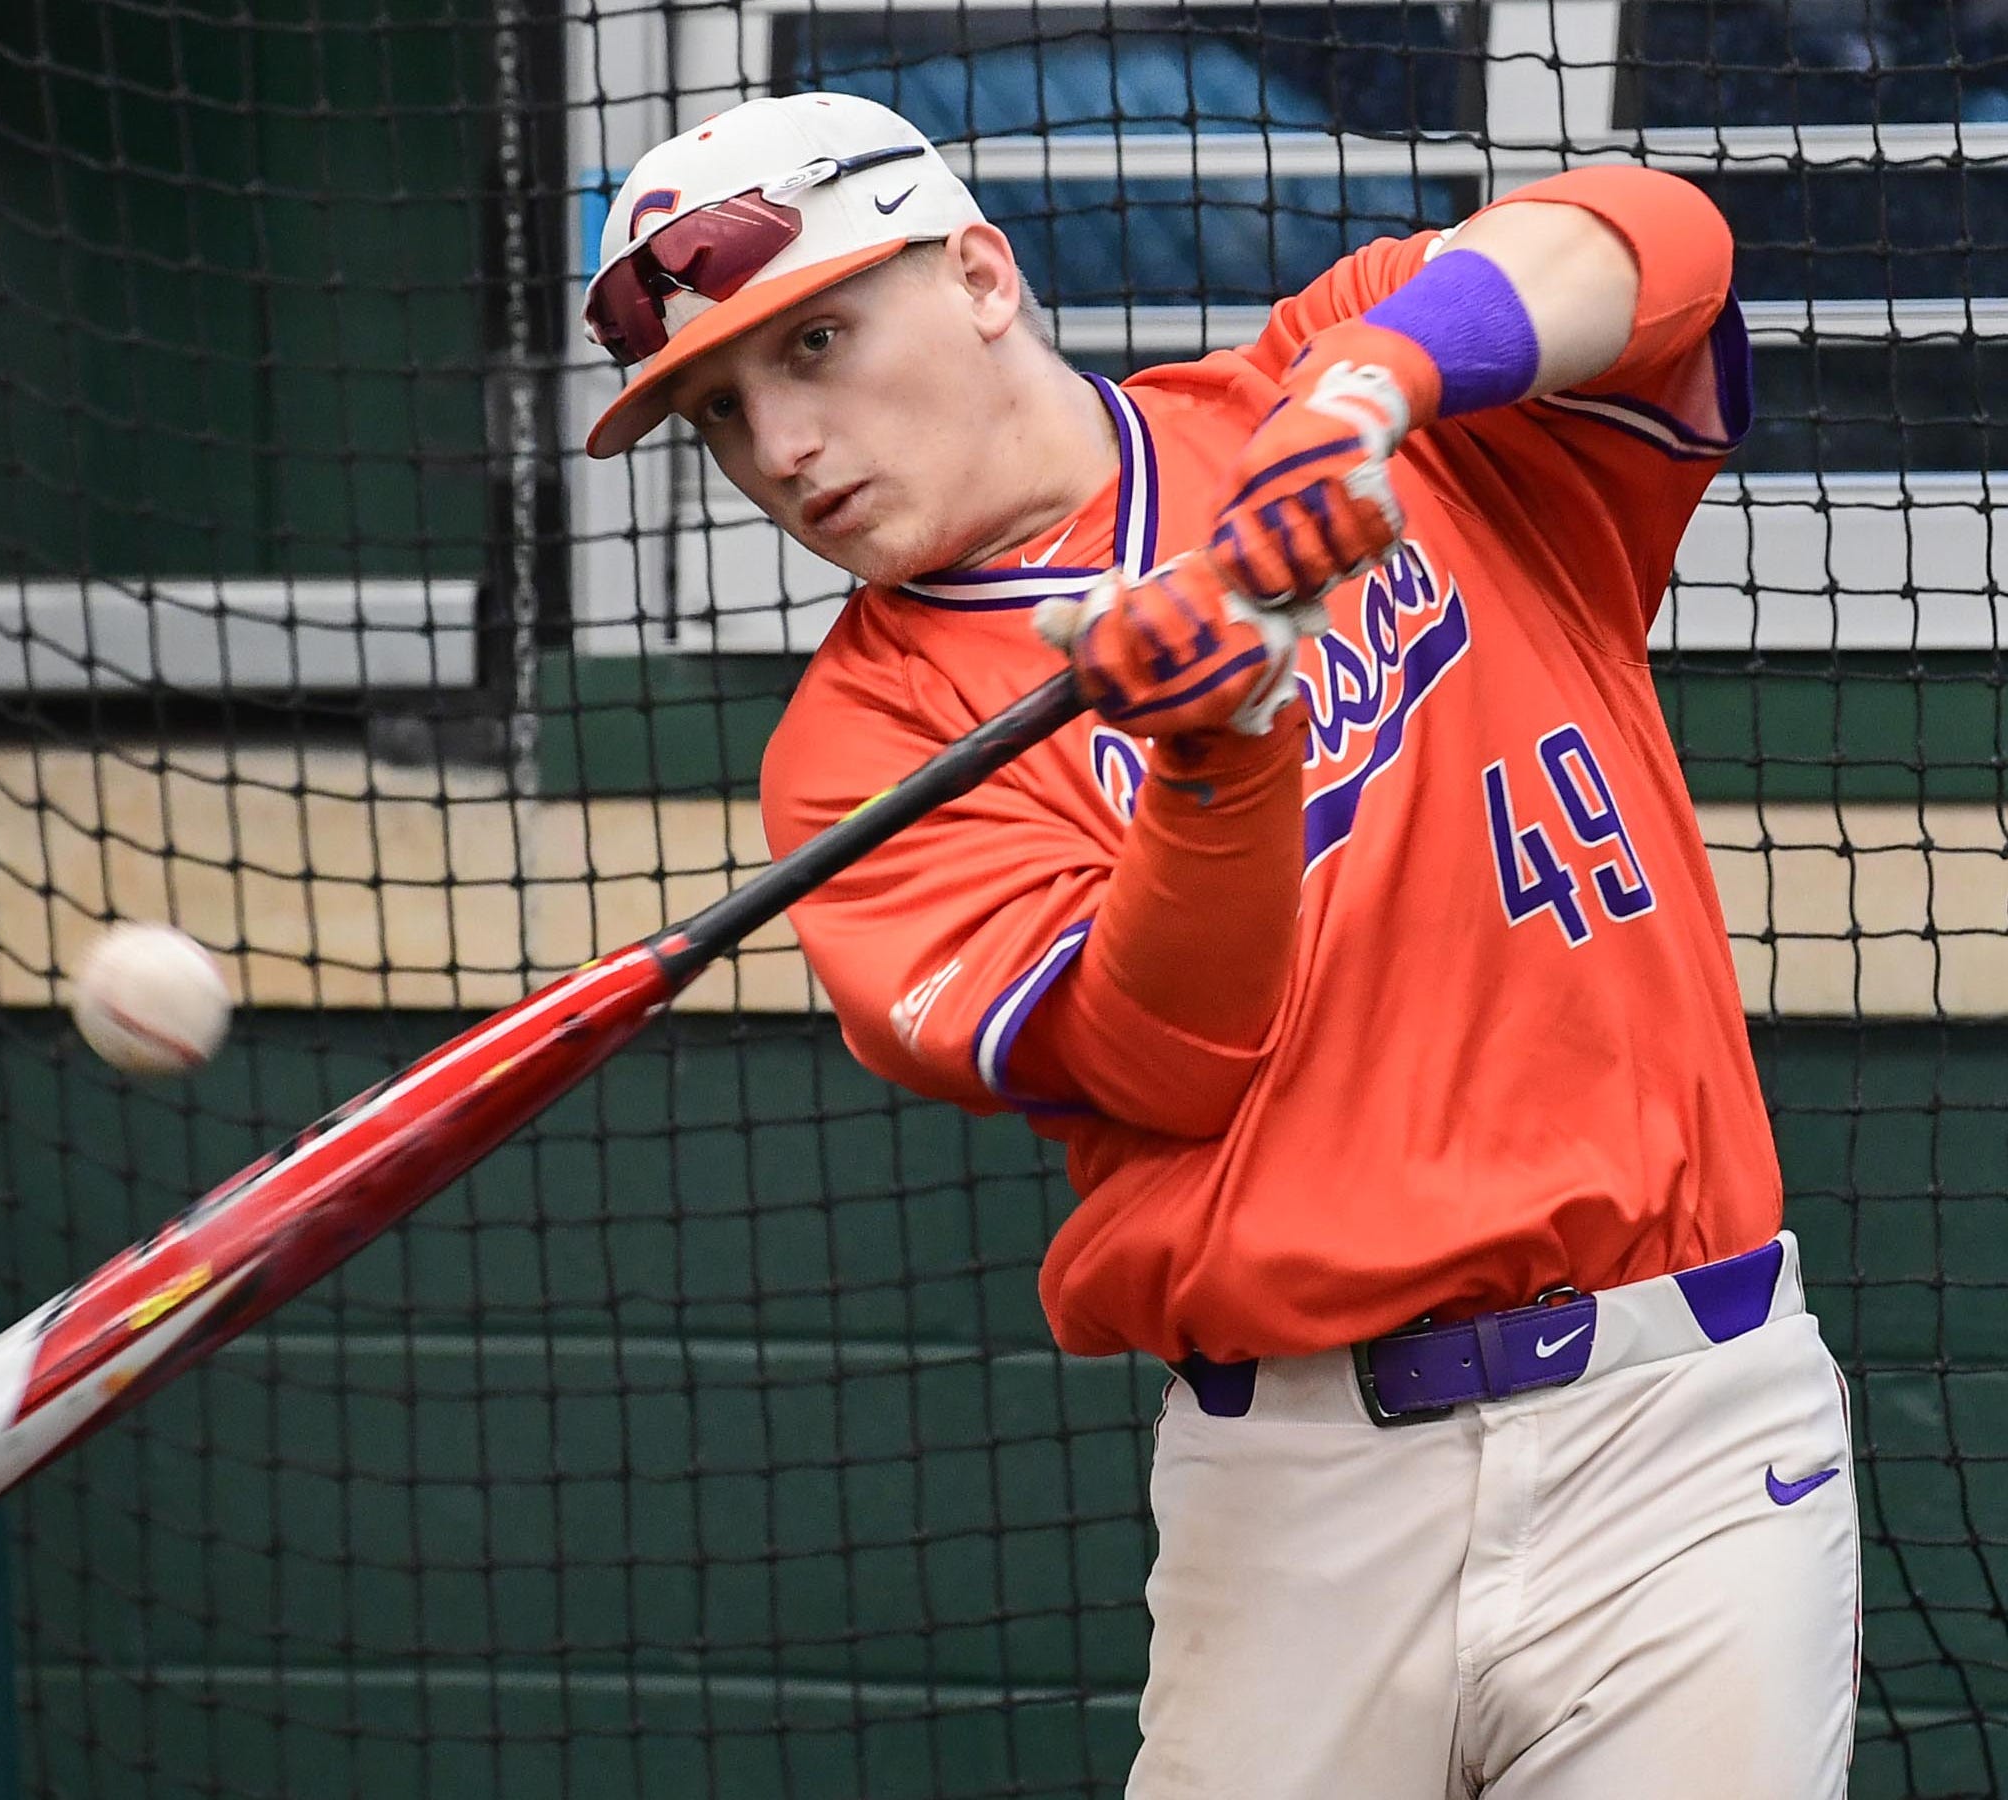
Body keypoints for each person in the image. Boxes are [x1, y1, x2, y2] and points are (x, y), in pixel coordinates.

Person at [581, 90, 1861, 1797]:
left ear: (978, 273)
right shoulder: (859, 757)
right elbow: (1165, 1058)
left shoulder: (1340, 393)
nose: (782, 447)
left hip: (1680, 1428)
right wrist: (1220, 756)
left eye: (815, 341)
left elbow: (1666, 243)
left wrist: (1368, 396)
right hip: (1301, 1490)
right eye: (721, 414)